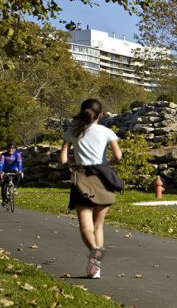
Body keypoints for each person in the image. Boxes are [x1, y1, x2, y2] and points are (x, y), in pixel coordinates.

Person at [59, 99, 121, 279]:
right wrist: (105, 163)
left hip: (82, 178)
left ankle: (94, 251)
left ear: (82, 112)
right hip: (102, 177)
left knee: (85, 225)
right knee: (98, 225)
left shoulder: (72, 132)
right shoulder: (107, 132)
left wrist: (74, 160)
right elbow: (118, 156)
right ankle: (96, 264)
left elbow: (63, 159)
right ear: (100, 114)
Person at [0, 142, 24, 208]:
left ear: (14, 149)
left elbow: (19, 162)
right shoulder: (3, 155)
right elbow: (1, 163)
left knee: (18, 176)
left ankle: (15, 187)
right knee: (4, 186)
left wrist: (20, 170)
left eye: (12, 149)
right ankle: (4, 200)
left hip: (14, 169)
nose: (11, 150)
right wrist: (1, 171)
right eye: (9, 149)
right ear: (7, 149)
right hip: (5, 170)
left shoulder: (18, 154)